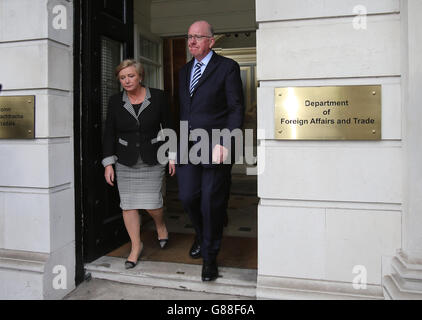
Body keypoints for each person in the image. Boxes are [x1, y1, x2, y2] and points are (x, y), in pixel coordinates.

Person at [176, 21, 244, 281]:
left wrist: (225, 143)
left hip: (215, 145)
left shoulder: (227, 68)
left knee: (210, 203)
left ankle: (210, 257)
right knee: (187, 197)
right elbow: (184, 112)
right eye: (189, 36)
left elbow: (236, 108)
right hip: (187, 147)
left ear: (211, 42)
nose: (191, 41)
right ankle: (202, 232)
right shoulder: (183, 71)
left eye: (198, 37)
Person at [102, 59, 176, 269]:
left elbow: (169, 126)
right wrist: (108, 163)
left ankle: (160, 225)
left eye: (131, 76)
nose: (127, 80)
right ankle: (136, 246)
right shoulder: (115, 101)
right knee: (129, 205)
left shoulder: (159, 97)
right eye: (123, 77)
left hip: (153, 157)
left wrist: (172, 155)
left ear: (140, 76)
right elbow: (109, 133)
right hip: (124, 160)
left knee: (153, 204)